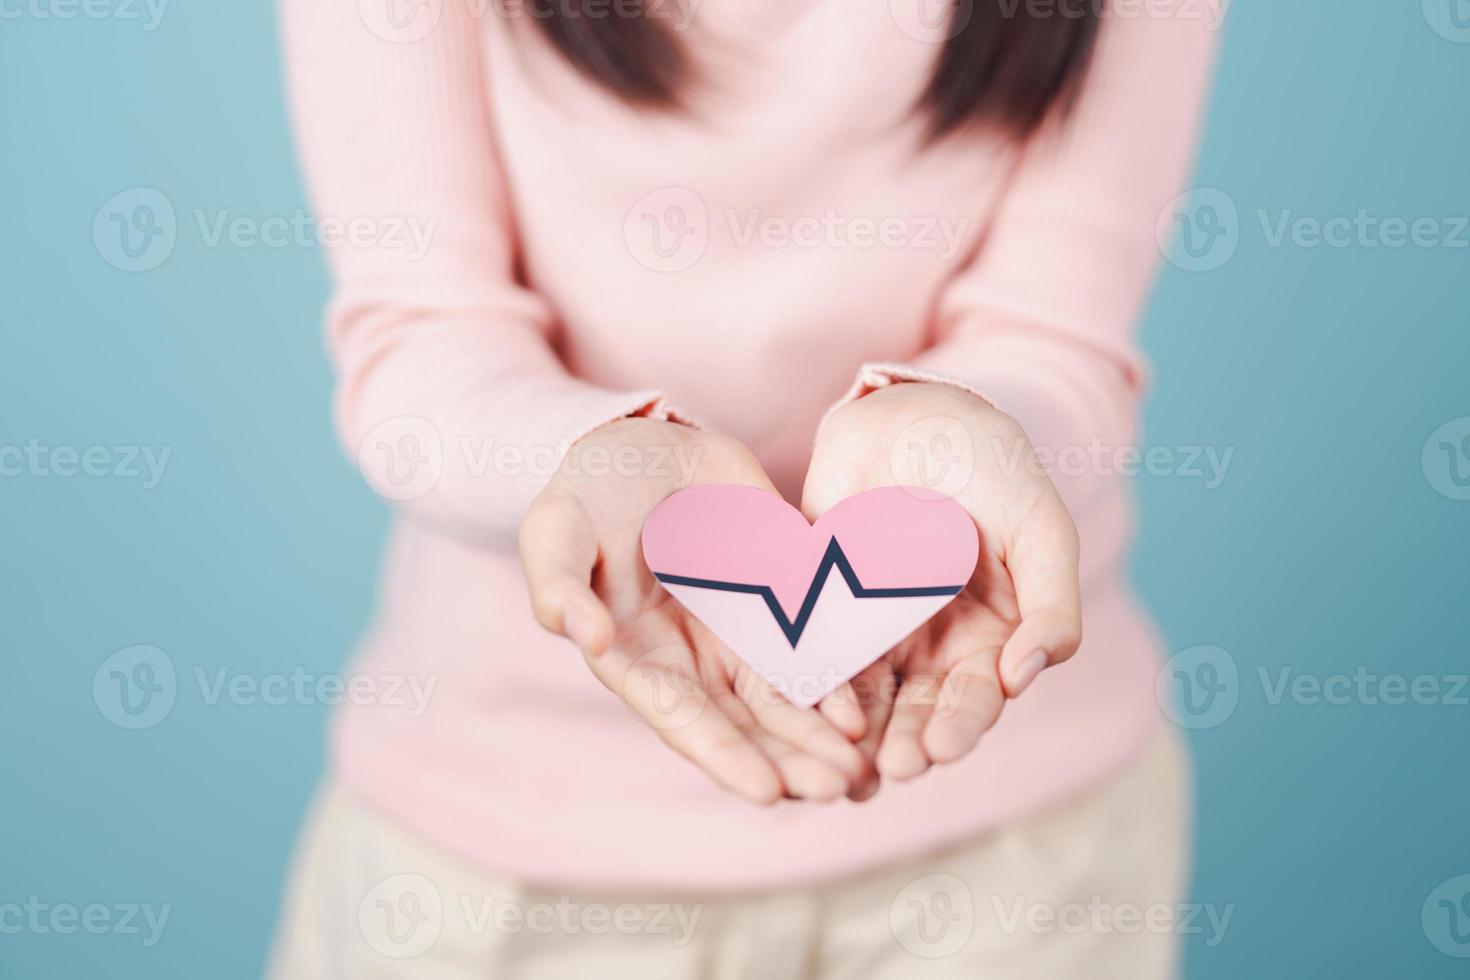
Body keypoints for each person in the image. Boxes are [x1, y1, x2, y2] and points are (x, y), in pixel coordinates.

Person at [269, 1, 1220, 976]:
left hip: (1022, 863)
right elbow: (423, 336)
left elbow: (1059, 336)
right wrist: (590, 455)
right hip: (501, 854)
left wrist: (959, 439)